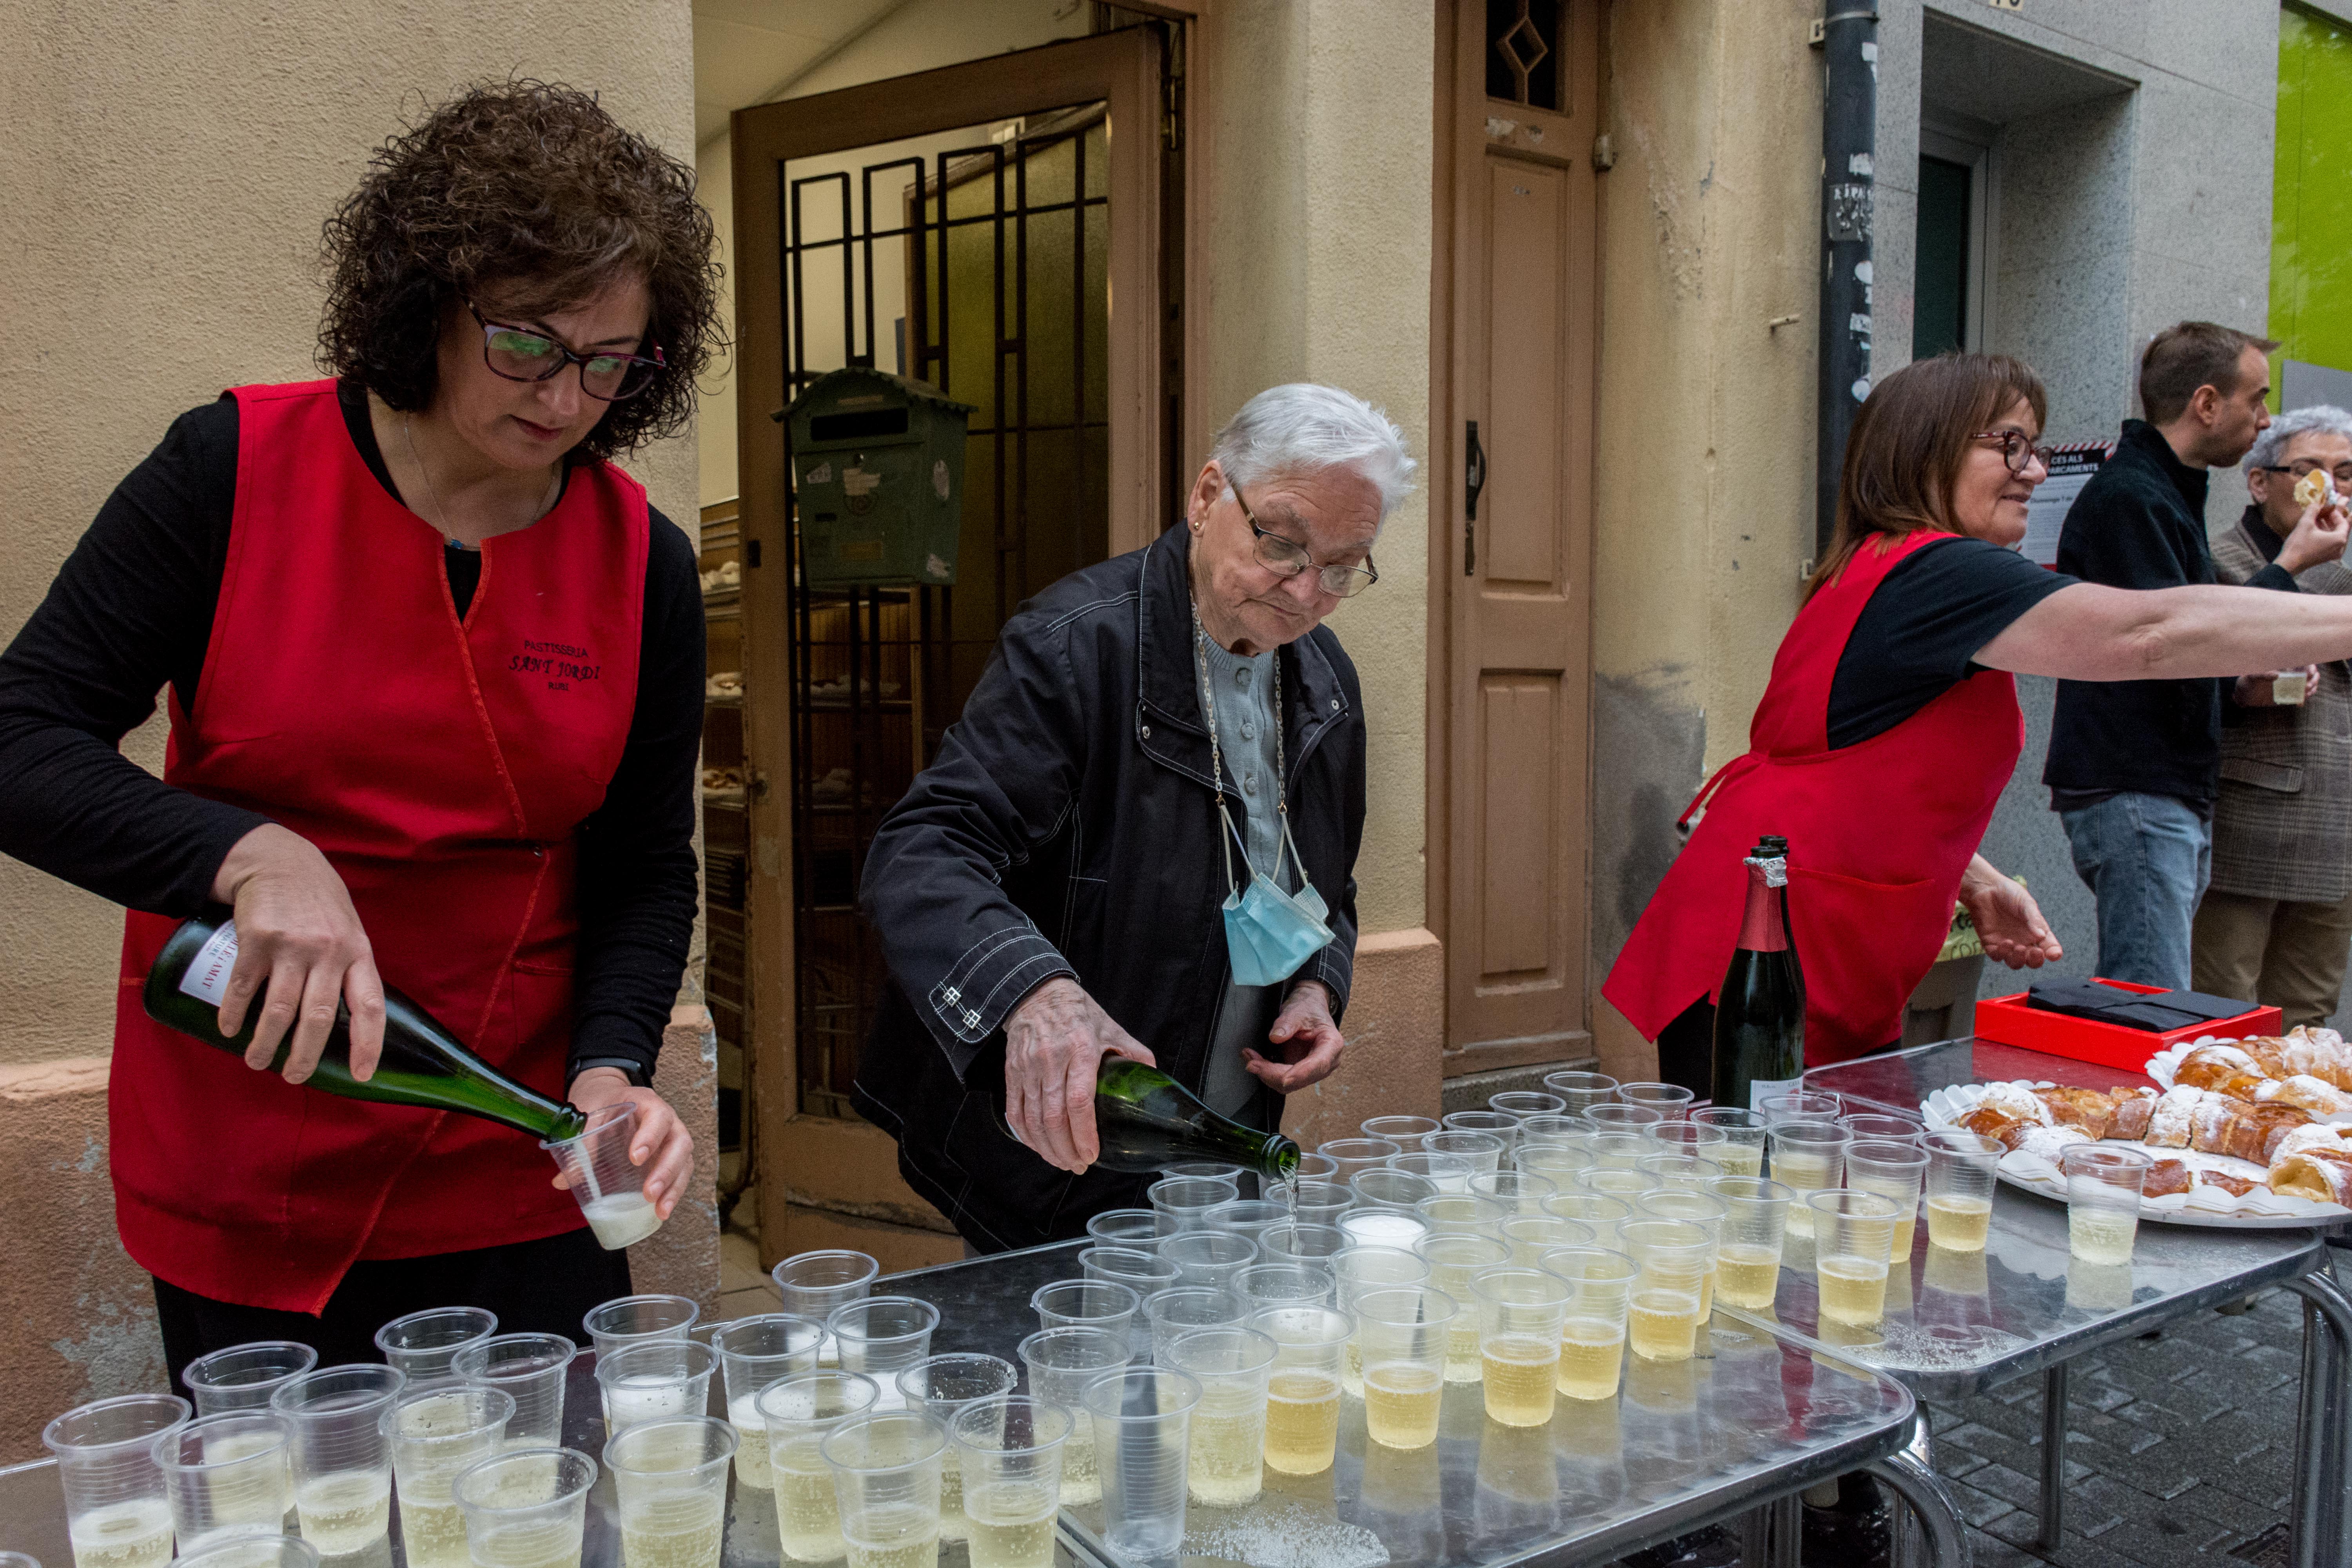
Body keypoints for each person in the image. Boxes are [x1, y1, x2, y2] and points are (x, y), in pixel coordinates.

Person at [0, 82, 714, 1384]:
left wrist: (612, 1067)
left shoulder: (644, 565)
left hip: (518, 1160)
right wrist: (249, 854)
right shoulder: (229, 473)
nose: (565, 401)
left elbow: (643, 863)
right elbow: (18, 739)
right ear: (425, 304)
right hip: (253, 1156)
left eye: (612, 364)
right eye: (526, 345)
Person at [1606, 352, 2352, 1079]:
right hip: (1775, 951)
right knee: (1766, 1190)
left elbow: (1853, 771)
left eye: (2036, 448)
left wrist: (1976, 877)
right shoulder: (1939, 570)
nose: (2035, 471)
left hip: (1786, 935)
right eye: (2011, 446)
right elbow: (2147, 634)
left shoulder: (1882, 564)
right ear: (1927, 449)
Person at [855, 384, 1406, 1251]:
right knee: (1069, 1374)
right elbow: (925, 849)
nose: (1307, 592)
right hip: (1068, 1149)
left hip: (1222, 1143)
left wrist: (1318, 981)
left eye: (1343, 567)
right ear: (1206, 496)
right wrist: (1037, 993)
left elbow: (1327, 887)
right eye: (1284, 543)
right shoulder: (1077, 645)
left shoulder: (1326, 678)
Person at [2041, 323, 2329, 990]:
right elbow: (2178, 639)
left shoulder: (2161, 490)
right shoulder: (2133, 497)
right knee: (2150, 1004)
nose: (2264, 422)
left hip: (2160, 784)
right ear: (2206, 403)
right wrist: (2290, 565)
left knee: (2156, 998)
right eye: (2256, 401)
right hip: (2138, 783)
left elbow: (2180, 652)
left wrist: (2242, 686)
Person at [2193, 406, 2352, 1025]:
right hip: (2249, 822)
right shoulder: (2220, 563)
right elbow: (2193, 676)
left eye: (2346, 473)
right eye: (2309, 471)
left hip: (2336, 832)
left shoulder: (2344, 578)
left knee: (2310, 1014)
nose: (2330, 489)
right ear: (2260, 482)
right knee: (2224, 1009)